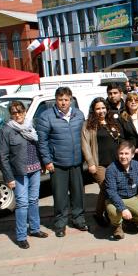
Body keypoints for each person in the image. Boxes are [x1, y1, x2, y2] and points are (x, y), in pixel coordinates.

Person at [35, 87, 89, 237]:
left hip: (77, 162)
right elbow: (42, 142)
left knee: (78, 194)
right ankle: (60, 224)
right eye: (60, 100)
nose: (63, 103)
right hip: (57, 163)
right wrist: (47, 161)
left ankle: (79, 219)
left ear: (71, 100)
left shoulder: (79, 114)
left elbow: (85, 136)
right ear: (56, 100)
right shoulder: (46, 117)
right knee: (60, 196)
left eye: (66, 99)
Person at [0, 101, 48, 249]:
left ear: (25, 111)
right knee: (22, 203)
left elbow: (38, 145)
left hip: (35, 169)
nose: (18, 115)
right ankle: (21, 236)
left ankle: (35, 229)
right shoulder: (6, 131)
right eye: (14, 112)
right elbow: (3, 157)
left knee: (34, 200)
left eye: (20, 111)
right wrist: (9, 178)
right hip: (19, 173)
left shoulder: (31, 125)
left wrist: (42, 164)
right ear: (10, 114)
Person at [81, 97, 122, 227]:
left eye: (103, 108)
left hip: (115, 163)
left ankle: (110, 213)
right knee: (106, 187)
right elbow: (85, 144)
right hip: (99, 164)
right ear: (93, 110)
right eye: (98, 108)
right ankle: (99, 214)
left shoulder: (112, 122)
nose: (101, 111)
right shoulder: (88, 124)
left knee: (112, 189)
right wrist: (90, 163)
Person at [104, 141, 138, 240]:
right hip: (115, 199)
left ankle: (128, 221)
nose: (123, 156)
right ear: (118, 154)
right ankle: (117, 225)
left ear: (132, 155)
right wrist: (123, 209)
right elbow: (111, 192)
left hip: (132, 197)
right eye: (121, 153)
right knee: (114, 212)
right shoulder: (111, 169)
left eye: (126, 153)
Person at [118, 92, 138, 157]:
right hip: (130, 154)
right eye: (130, 100)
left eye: (136, 100)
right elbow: (121, 138)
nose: (133, 102)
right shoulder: (122, 119)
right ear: (126, 103)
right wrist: (133, 150)